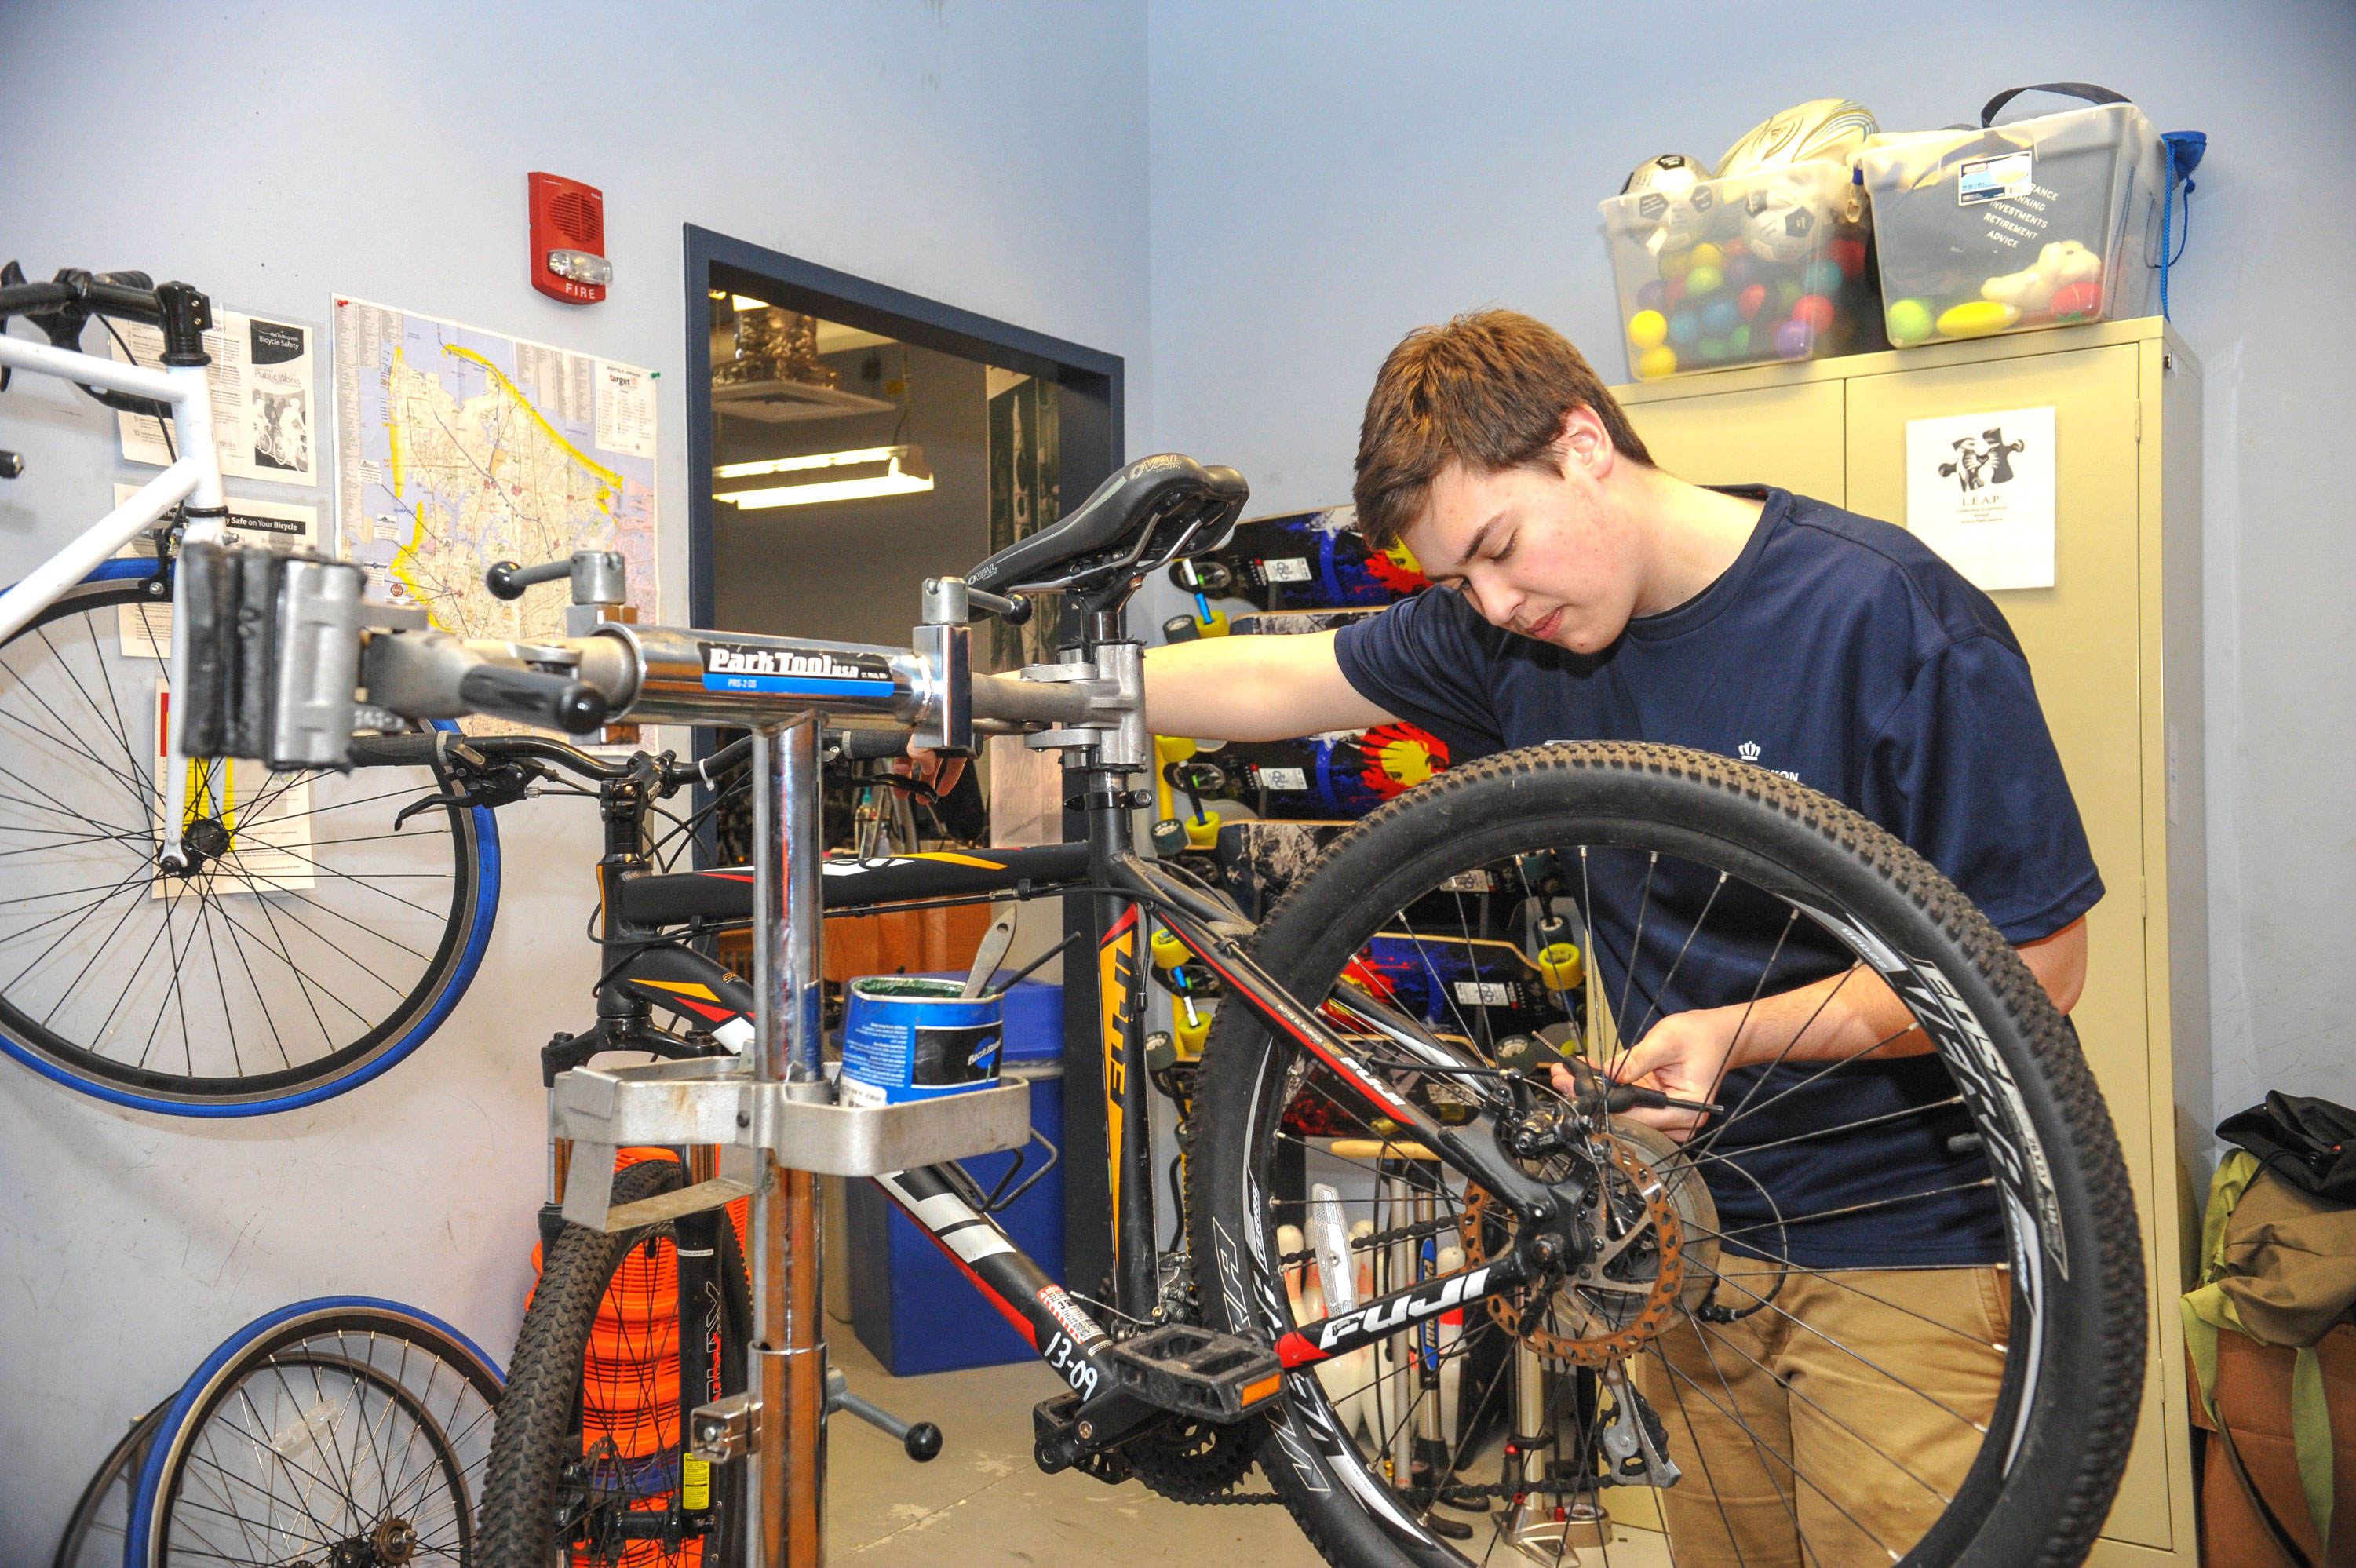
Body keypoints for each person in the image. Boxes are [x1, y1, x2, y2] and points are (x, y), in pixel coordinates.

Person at [1136, 309, 2102, 1565]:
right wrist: (1011, 695)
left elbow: (2037, 970)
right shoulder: (1509, 626)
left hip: (1906, 1250)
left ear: (1582, 443)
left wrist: (1732, 1039)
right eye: (1454, 583)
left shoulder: (1884, 614)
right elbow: (1280, 681)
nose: (1491, 601)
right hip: (1678, 1243)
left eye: (1496, 547)